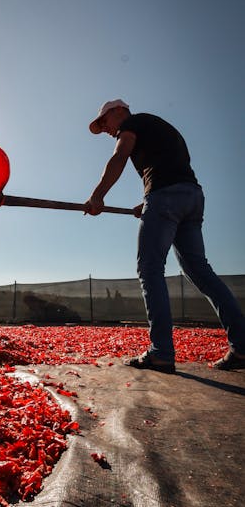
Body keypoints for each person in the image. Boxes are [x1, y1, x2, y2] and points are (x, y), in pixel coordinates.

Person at [84, 99, 245, 373]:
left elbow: (119, 157)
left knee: (150, 269)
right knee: (201, 272)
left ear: (119, 111)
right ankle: (243, 346)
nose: (106, 129)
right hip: (191, 197)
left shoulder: (132, 124)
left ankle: (161, 352)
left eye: (104, 122)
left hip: (166, 198)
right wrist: (146, 202)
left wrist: (98, 195)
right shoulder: (155, 125)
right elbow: (166, 168)